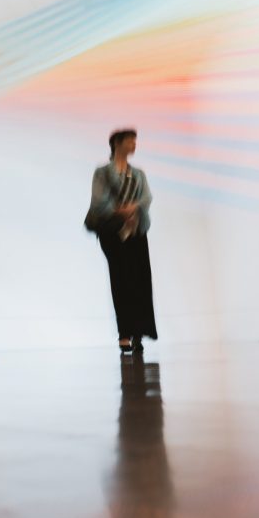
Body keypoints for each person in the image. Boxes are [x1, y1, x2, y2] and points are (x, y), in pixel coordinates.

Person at [85, 128, 158, 353]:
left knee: (141, 281)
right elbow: (98, 200)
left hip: (136, 230)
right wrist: (119, 211)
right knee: (120, 280)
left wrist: (133, 208)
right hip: (113, 233)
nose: (134, 145)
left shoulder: (138, 174)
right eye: (130, 141)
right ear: (116, 143)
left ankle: (139, 334)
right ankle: (124, 333)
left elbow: (147, 197)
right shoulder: (102, 173)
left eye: (135, 141)